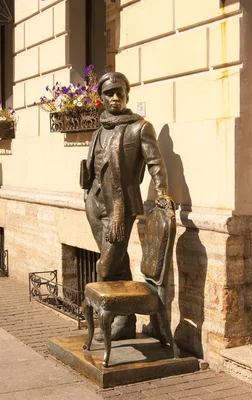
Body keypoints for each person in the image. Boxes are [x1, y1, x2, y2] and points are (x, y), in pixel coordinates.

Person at [82, 71, 173, 340]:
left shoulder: (140, 127)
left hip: (120, 208)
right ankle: (125, 322)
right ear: (101, 98)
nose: (115, 97)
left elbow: (156, 162)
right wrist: (87, 194)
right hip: (94, 203)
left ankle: (117, 316)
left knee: (106, 265)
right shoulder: (100, 129)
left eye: (120, 92)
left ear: (127, 95)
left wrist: (163, 191)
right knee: (118, 262)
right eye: (109, 93)